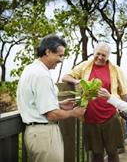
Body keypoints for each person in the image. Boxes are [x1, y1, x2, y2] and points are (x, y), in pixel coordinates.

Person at [17, 34, 86, 162]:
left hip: (35, 134)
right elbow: (51, 115)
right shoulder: (42, 75)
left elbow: (36, 103)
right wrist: (73, 112)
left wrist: (58, 104)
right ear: (48, 52)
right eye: (60, 55)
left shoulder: (30, 69)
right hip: (45, 135)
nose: (61, 60)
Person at [62, 43, 127, 162]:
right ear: (94, 53)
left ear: (108, 56)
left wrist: (124, 109)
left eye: (103, 55)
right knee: (96, 153)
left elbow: (124, 91)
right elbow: (66, 77)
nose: (100, 57)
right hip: (90, 117)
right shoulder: (85, 66)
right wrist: (76, 82)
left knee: (112, 152)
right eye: (97, 54)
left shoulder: (115, 69)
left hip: (110, 116)